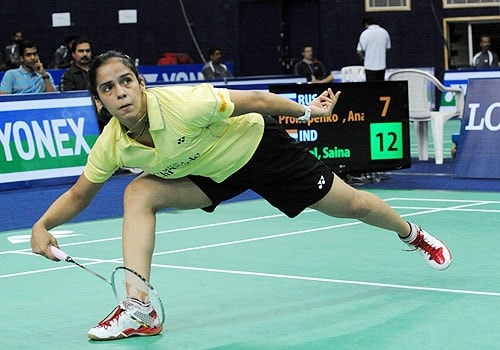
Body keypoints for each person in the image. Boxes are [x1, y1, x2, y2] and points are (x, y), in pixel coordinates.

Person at [30, 51, 452, 341]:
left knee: (354, 205)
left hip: (259, 150)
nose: (119, 92)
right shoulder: (112, 144)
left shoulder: (183, 103)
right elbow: (81, 194)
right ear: (100, 101)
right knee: (138, 191)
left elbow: (257, 99)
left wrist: (311, 113)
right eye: (108, 88)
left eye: (126, 81)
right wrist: (44, 224)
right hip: (210, 173)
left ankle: (411, 234)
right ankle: (140, 307)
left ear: (141, 85)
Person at [357, 16, 391, 82]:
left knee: (371, 89)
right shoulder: (384, 32)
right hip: (382, 65)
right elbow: (388, 48)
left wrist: (363, 58)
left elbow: (359, 51)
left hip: (369, 66)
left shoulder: (365, 34)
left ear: (366, 24)